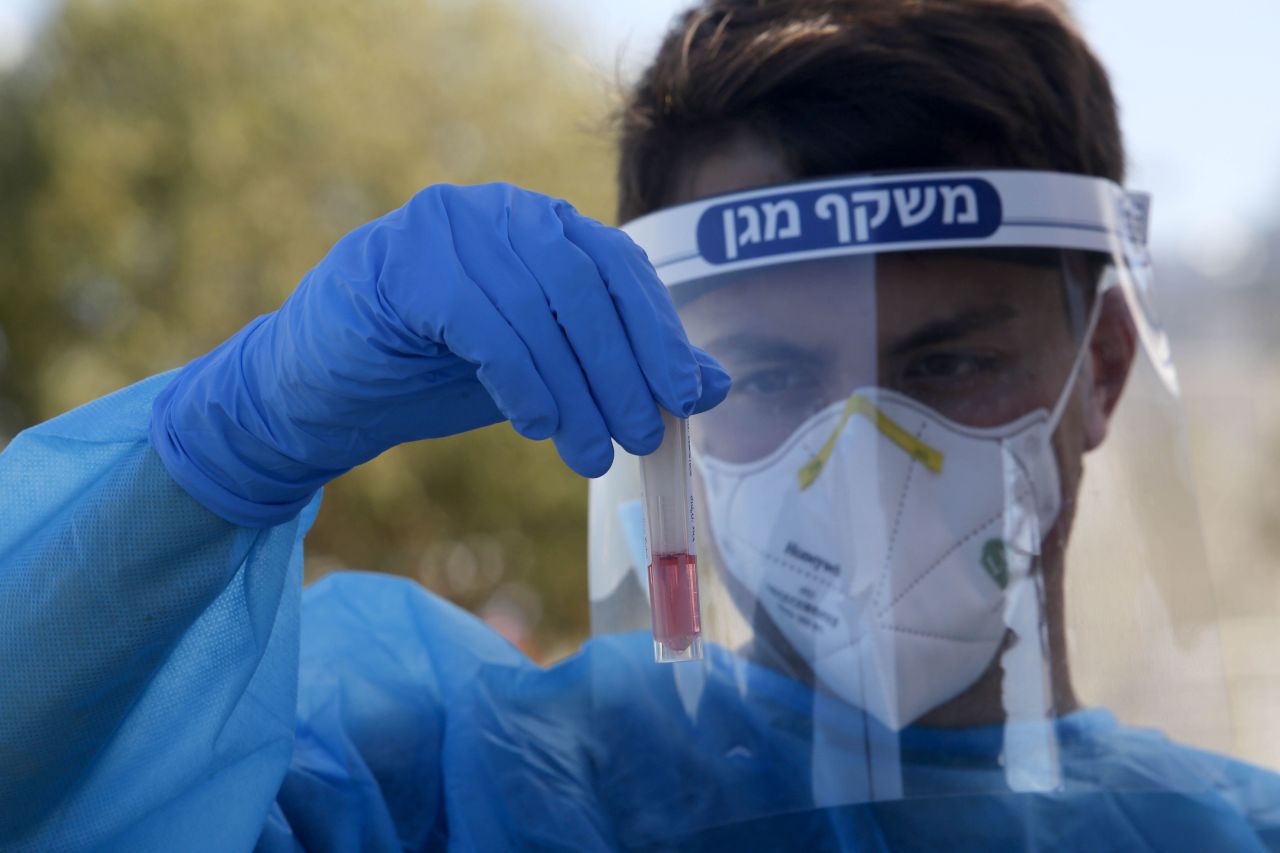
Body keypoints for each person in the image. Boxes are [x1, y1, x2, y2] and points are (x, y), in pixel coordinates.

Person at [1, 0, 1277, 850]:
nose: (858, 460)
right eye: (765, 376)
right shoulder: (453, 784)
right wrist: (221, 456)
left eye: (944, 361)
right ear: (666, 390)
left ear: (1102, 366)